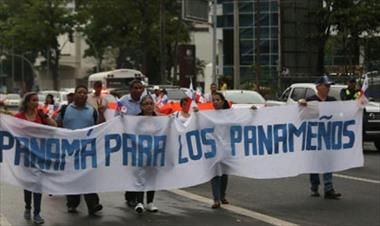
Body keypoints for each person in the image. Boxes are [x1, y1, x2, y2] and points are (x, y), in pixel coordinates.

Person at [55, 85, 104, 215]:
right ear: (75, 94)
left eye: (84, 93)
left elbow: (99, 127)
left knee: (88, 176)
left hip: (87, 149)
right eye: (79, 92)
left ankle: (93, 204)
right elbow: (56, 125)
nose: (82, 95)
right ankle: (72, 203)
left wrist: (102, 112)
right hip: (70, 150)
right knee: (73, 177)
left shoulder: (92, 111)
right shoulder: (65, 109)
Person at [14, 92, 57, 224]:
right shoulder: (19, 117)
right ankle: (28, 206)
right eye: (33, 100)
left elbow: (54, 126)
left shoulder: (40, 115)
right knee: (28, 185)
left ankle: (37, 213)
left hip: (39, 154)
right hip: (25, 155)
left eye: (37, 100)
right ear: (27, 102)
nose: (36, 103)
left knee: (38, 184)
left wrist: (45, 117)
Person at [298, 75, 342, 200]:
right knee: (314, 164)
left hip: (328, 137)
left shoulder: (332, 101)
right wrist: (301, 104)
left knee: (328, 162)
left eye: (329, 86)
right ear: (318, 87)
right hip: (313, 137)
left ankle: (329, 189)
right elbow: (301, 115)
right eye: (326, 85)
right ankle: (314, 186)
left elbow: (342, 114)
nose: (328, 88)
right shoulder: (310, 100)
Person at [116, 80, 145, 207]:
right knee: (132, 169)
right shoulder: (122, 102)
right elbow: (116, 118)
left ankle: (136, 196)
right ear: (130, 89)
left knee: (140, 169)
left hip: (143, 139)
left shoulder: (145, 100)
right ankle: (130, 195)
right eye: (135, 88)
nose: (138, 90)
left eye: (140, 88)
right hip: (128, 139)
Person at [134, 95, 159, 213]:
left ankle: (150, 202)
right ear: (141, 106)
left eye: (151, 103)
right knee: (140, 177)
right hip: (139, 153)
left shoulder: (159, 120)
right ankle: (139, 202)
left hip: (154, 153)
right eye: (146, 104)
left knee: (151, 177)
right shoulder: (135, 120)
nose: (149, 106)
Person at [210, 92, 230, 209]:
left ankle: (222, 196)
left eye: (217, 100)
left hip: (226, 148)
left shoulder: (229, 114)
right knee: (215, 173)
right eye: (213, 100)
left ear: (222, 101)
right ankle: (216, 199)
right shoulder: (209, 115)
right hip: (213, 148)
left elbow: (243, 121)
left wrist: (252, 112)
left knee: (224, 174)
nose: (215, 102)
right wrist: (196, 114)